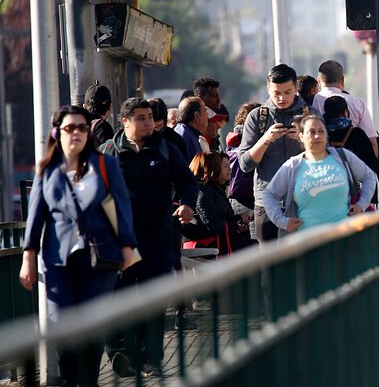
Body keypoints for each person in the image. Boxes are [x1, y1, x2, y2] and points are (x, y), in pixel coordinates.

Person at [19, 105, 137, 386]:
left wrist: (127, 247)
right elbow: (35, 215)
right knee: (63, 326)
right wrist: (28, 256)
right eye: (69, 128)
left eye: (82, 127)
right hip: (58, 261)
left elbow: (122, 207)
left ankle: (88, 381)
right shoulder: (48, 169)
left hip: (100, 259)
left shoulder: (105, 165)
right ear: (57, 133)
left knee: (92, 327)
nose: (76, 133)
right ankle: (74, 380)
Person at [99, 98, 198, 377]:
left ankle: (151, 358)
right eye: (141, 118)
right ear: (125, 122)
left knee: (154, 299)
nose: (148, 123)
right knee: (121, 296)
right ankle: (120, 353)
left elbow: (188, 181)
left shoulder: (165, 148)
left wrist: (187, 204)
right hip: (121, 241)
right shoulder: (108, 152)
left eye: (150, 118)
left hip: (157, 238)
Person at [262, 113, 376, 235]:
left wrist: (361, 205)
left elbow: (368, 177)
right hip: (308, 242)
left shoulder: (343, 157)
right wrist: (282, 221)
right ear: (301, 136)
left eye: (321, 131)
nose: (317, 136)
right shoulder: (292, 166)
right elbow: (269, 194)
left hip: (345, 239)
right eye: (311, 132)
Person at [239, 64, 311, 242]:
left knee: (303, 263)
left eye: (288, 92)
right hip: (267, 204)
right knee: (269, 264)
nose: (281, 98)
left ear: (296, 88)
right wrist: (265, 140)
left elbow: (326, 158)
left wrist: (304, 142)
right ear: (268, 89)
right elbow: (245, 164)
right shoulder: (257, 117)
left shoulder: (310, 116)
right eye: (276, 93)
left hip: (305, 201)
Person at [183, 152, 253, 255]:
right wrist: (235, 223)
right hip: (208, 247)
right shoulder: (202, 192)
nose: (229, 169)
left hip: (219, 244)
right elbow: (212, 224)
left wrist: (238, 221)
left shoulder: (213, 190)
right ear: (212, 168)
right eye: (224, 166)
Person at [312, 59, 379, 154]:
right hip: (353, 163)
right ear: (342, 80)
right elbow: (372, 142)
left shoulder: (310, 104)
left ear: (318, 80)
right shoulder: (358, 104)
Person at [226, 101, 261, 236]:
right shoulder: (253, 141)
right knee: (254, 243)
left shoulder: (233, 140)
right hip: (250, 201)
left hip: (233, 199)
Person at [324, 95, 379, 177]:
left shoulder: (321, 135)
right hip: (355, 185)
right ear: (345, 112)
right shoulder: (357, 134)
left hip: (330, 184)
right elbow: (371, 166)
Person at [194, 77, 229, 152]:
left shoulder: (215, 139)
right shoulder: (192, 138)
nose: (219, 100)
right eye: (214, 96)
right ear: (200, 98)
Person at [174, 96, 208, 162]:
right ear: (197, 116)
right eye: (205, 111)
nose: (207, 115)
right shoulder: (183, 136)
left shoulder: (190, 134)